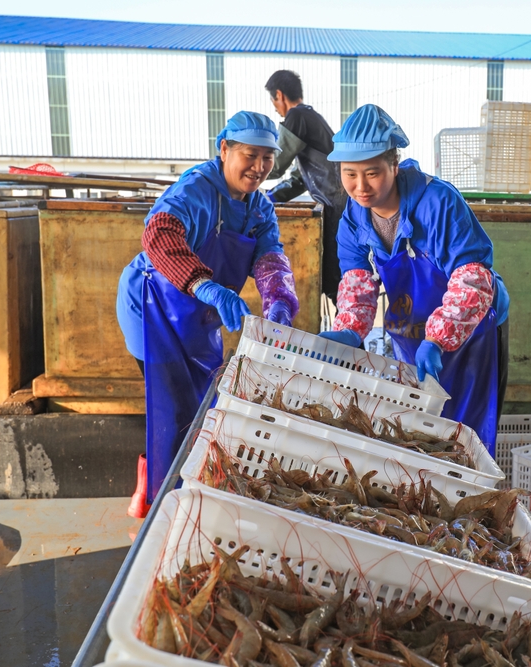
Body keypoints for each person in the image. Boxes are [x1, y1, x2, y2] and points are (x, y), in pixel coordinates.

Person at [115, 111, 299, 515]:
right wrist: (206, 285)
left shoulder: (259, 206)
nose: (259, 168)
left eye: (268, 158)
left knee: (204, 404)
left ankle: (166, 489)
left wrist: (279, 299)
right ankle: (161, 505)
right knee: (174, 406)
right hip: (154, 308)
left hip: (200, 319)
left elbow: (270, 255)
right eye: (250, 155)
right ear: (224, 149)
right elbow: (158, 233)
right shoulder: (196, 188)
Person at [318, 104, 509, 453]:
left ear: (394, 164)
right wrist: (349, 327)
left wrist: (438, 339)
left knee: (467, 431)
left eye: (372, 173)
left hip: (471, 329)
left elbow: (474, 279)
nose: (360, 186)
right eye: (350, 174)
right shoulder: (354, 218)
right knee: (422, 429)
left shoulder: (438, 202)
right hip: (412, 332)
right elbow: (357, 280)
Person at [264, 70, 347, 306]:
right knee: (333, 274)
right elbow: (299, 178)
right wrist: (269, 197)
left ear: (279, 95)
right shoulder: (310, 117)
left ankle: (350, 336)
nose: (275, 108)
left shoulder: (296, 116)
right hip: (336, 202)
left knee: (334, 275)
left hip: (336, 203)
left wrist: (245, 170)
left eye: (273, 101)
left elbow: (276, 165)